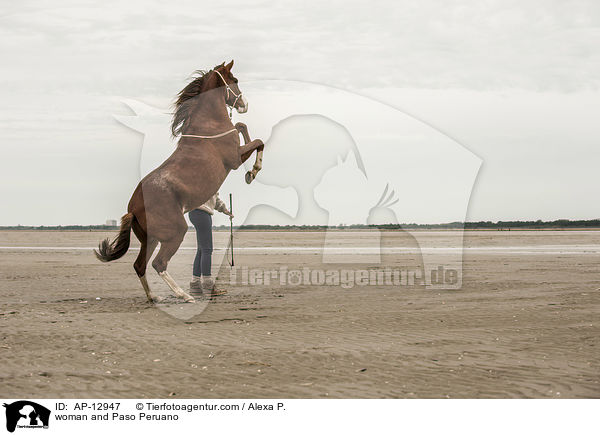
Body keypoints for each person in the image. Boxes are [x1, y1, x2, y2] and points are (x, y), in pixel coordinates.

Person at [188, 192, 233, 295]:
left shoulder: (197, 178)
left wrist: (225, 210)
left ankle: (195, 284)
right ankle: (208, 285)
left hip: (194, 212)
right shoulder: (209, 178)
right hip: (202, 213)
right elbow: (215, 197)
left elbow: (215, 199)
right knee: (207, 249)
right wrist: (225, 209)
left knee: (201, 250)